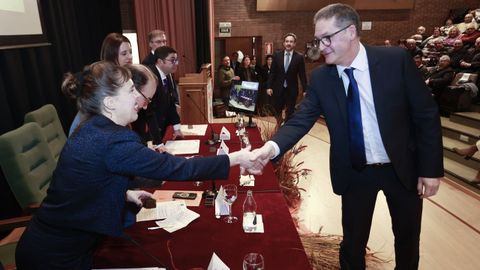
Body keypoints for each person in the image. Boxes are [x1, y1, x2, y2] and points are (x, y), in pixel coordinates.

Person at [250, 4, 443, 269]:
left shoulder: (395, 60)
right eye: (318, 39)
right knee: (352, 243)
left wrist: (430, 169)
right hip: (355, 171)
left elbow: (426, 113)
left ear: (351, 31)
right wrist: (271, 148)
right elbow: (301, 119)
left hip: (402, 167)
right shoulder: (321, 78)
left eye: (327, 38)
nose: (321, 45)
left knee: (407, 240)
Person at [15, 61, 259, 269]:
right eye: (132, 90)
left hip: (55, 245)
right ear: (110, 103)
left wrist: (124, 193)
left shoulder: (92, 128)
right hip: (55, 257)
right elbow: (176, 168)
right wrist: (235, 158)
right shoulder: (114, 139)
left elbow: (86, 180)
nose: (139, 98)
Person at [69, 32, 133, 135]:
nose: (130, 56)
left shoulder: (122, 79)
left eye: (130, 52)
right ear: (112, 56)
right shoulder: (101, 83)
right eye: (124, 53)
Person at [139, 46, 183, 144]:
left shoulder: (167, 74)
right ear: (160, 61)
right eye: (172, 60)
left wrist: (177, 128)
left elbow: (171, 102)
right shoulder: (149, 77)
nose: (176, 64)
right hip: (149, 132)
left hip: (161, 127)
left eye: (177, 60)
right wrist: (156, 141)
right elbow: (149, 111)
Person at [266, 33, 307, 122]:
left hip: (292, 89)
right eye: (287, 41)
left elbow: (302, 74)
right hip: (278, 88)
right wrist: (269, 86)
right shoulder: (277, 56)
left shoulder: (299, 57)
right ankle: (279, 123)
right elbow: (272, 73)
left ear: (294, 44)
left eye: (291, 42)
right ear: (284, 43)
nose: (288, 43)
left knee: (290, 111)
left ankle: (286, 127)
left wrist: (305, 90)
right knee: (277, 109)